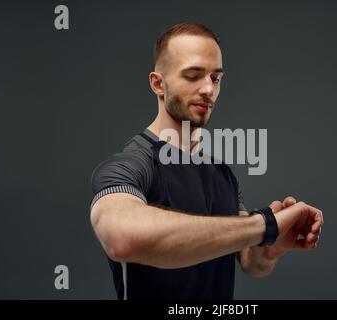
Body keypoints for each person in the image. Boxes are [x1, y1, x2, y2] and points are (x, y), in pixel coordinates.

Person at [89, 22, 324, 300]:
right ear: (158, 83)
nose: (208, 90)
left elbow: (251, 264)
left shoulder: (221, 173)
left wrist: (269, 248)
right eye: (193, 75)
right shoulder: (130, 165)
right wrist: (264, 226)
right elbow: (121, 239)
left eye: (215, 78)